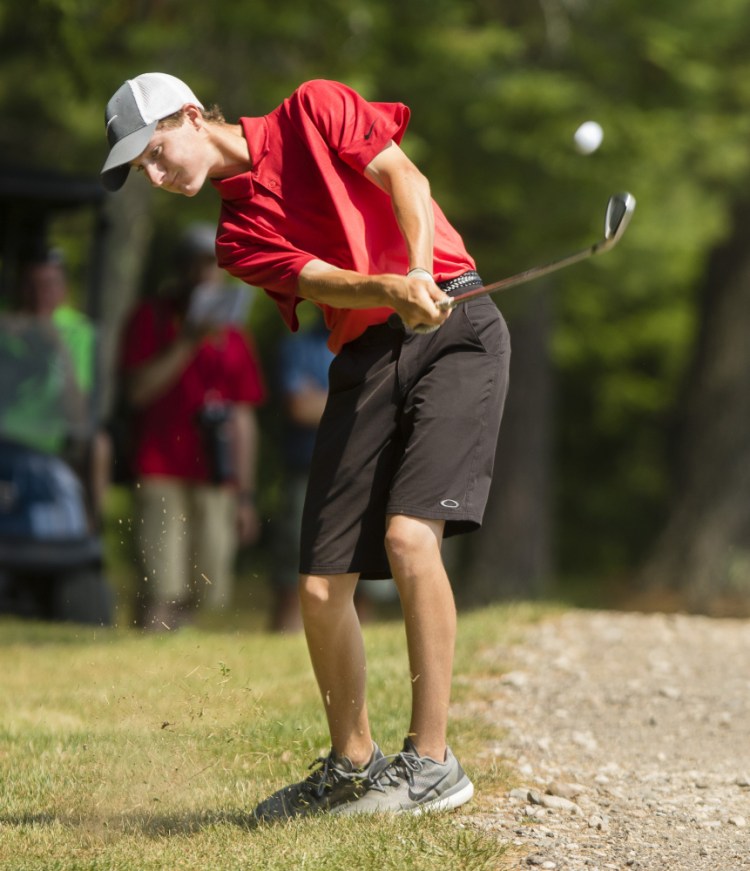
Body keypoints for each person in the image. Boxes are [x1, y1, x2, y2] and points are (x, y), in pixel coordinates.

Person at [101, 73, 510, 817]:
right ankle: (353, 765)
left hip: (457, 324)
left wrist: (417, 272)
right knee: (320, 589)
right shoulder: (234, 238)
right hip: (365, 353)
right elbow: (323, 279)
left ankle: (433, 761)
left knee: (410, 538)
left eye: (157, 153)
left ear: (193, 116)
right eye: (143, 171)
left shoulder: (314, 107)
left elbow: (404, 178)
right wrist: (389, 291)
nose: (157, 177)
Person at [116, 223, 266, 630]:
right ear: (180, 270)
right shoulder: (151, 318)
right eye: (196, 266)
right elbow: (137, 393)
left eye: (212, 267)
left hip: (216, 475)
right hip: (159, 464)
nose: (204, 276)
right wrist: (188, 340)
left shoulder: (235, 336)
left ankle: (173, 659)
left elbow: (243, 418)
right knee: (161, 580)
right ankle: (143, 653)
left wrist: (245, 494)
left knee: (207, 583)